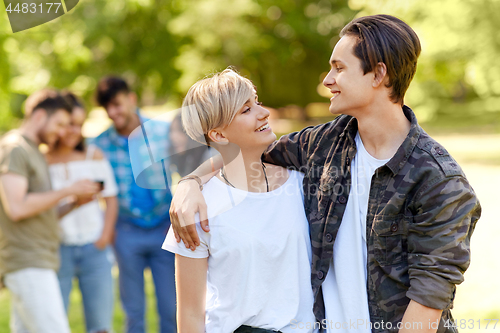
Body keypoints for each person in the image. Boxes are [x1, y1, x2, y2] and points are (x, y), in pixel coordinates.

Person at [169, 15, 481, 333]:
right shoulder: (323, 144)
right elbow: (244, 151)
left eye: (339, 68)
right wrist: (191, 182)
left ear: (378, 74)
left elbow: (427, 309)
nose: (327, 80)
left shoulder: (439, 182)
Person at [162, 68, 316, 333]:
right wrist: (192, 182)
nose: (263, 112)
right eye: (246, 110)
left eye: (256, 101)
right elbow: (189, 314)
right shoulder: (197, 208)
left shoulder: (304, 184)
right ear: (219, 135)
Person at [0, 89, 101, 333]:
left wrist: (74, 202)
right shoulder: (15, 148)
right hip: (28, 261)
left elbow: (39, 210)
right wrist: (68, 190)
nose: (62, 132)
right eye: (58, 124)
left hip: (40, 259)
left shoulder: (33, 151)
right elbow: (16, 207)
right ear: (39, 116)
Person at [90, 77, 176, 333]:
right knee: (134, 311)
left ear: (131, 99)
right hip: (126, 232)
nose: (112, 112)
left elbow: (189, 172)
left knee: (172, 308)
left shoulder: (163, 132)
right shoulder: (99, 145)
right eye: (107, 108)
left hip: (164, 227)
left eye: (116, 104)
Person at [45, 91, 119, 333]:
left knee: (100, 325)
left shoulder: (92, 155)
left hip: (93, 248)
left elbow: (111, 198)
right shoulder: (43, 161)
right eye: (68, 125)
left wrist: (105, 236)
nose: (73, 131)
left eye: (79, 125)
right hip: (58, 250)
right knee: (53, 322)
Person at [168, 112, 213, 188]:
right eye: (172, 131)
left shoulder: (211, 157)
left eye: (180, 130)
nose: (173, 137)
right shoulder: (185, 158)